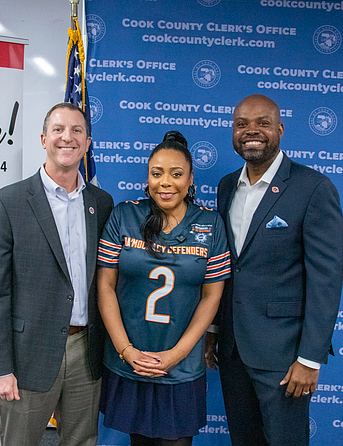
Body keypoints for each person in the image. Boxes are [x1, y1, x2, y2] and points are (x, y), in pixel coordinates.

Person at [207, 94, 343, 446]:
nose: (251, 131)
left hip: (285, 357)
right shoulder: (225, 187)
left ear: (280, 130)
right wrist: (214, 330)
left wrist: (310, 359)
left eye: (262, 123)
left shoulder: (313, 188)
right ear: (233, 132)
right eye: (242, 124)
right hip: (233, 350)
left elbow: (325, 281)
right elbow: (227, 268)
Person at [0, 102, 113, 446]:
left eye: (77, 131)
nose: (67, 138)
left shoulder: (102, 202)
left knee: (82, 441)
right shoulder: (8, 202)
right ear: (43, 138)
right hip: (26, 355)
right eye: (58, 130)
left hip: (87, 350)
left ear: (88, 142)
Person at [97, 131, 231, 446]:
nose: (165, 182)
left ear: (190, 178)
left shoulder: (211, 224)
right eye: (157, 173)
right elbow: (105, 286)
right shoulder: (124, 215)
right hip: (131, 359)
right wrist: (126, 350)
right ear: (147, 177)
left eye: (176, 174)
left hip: (180, 365)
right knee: (139, 441)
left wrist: (177, 355)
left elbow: (212, 297)